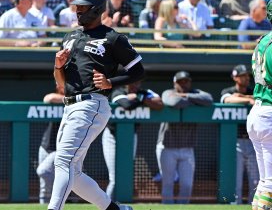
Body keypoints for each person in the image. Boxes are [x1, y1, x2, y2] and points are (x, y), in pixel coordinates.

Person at [48, 0, 145, 210]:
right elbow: (61, 83)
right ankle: (114, 209)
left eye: (83, 7)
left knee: (63, 162)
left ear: (96, 9)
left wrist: (112, 82)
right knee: (72, 170)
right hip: (70, 104)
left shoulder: (112, 38)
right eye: (76, 7)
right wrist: (57, 66)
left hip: (92, 104)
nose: (78, 11)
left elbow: (138, 71)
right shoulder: (70, 36)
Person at [158, 71, 213, 204]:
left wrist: (186, 95)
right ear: (174, 83)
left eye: (186, 81)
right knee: (168, 184)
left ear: (190, 82)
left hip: (187, 148)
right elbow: (173, 101)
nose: (183, 84)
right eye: (180, 82)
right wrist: (193, 101)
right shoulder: (168, 92)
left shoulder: (195, 92)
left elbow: (208, 99)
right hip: (167, 147)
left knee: (187, 185)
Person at [102, 81, 163, 199]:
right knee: (114, 177)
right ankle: (107, 205)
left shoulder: (142, 92)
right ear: (126, 83)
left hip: (130, 136)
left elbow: (160, 103)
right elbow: (126, 105)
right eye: (132, 82)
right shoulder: (118, 91)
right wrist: (143, 100)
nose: (135, 85)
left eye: (138, 83)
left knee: (126, 174)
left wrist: (138, 97)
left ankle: (122, 204)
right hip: (111, 136)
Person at [246, 0, 272, 210]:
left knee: (265, 182)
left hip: (258, 111)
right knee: (270, 183)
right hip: (270, 112)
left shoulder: (263, 41)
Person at [220, 64, 258, 205]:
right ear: (235, 77)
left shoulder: (253, 90)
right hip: (235, 141)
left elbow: (260, 99)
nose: (246, 78)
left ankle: (253, 205)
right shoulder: (228, 90)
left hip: (253, 141)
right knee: (236, 179)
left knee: (255, 179)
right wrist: (247, 99)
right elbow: (227, 99)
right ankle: (236, 205)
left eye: (247, 75)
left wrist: (244, 96)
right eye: (243, 76)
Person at [36, 85, 64, 204]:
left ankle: (58, 201)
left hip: (61, 147)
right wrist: (68, 99)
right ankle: (44, 205)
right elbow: (48, 98)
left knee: (43, 171)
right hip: (45, 146)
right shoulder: (60, 98)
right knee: (43, 185)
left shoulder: (79, 102)